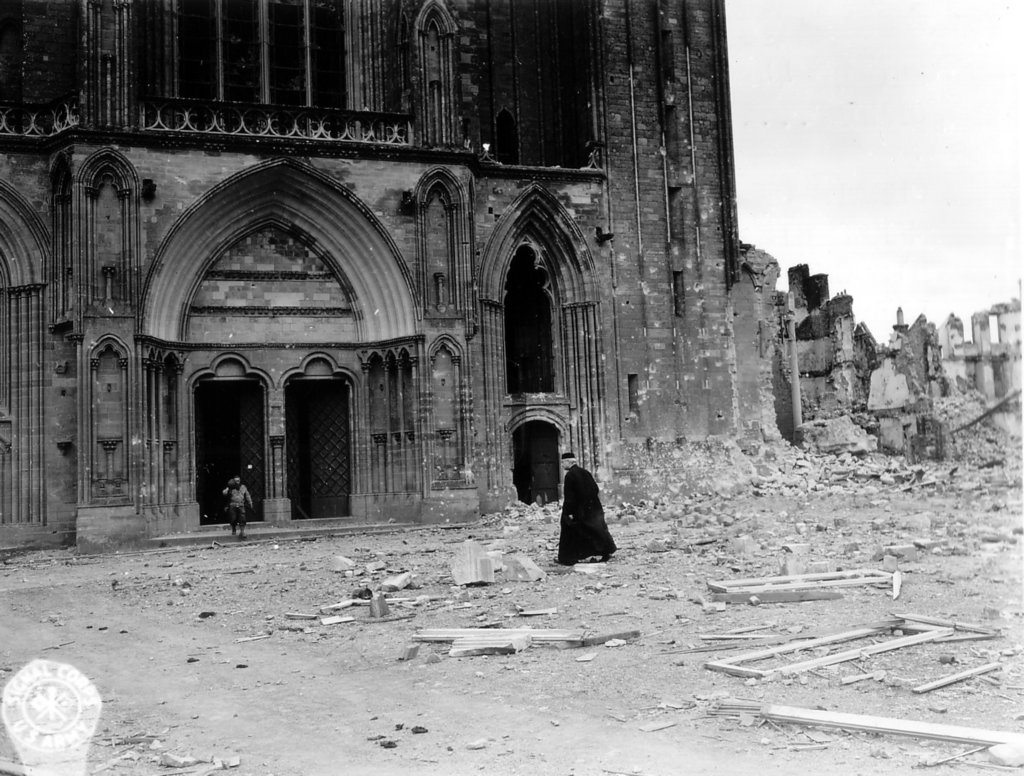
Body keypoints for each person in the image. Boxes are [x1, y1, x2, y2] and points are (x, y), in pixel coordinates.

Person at [556, 452, 617, 565]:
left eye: (563, 462)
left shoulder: (569, 476)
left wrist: (568, 512)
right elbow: (595, 489)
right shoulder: (585, 472)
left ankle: (568, 557)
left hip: (579, 509)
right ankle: (605, 552)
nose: (562, 465)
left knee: (570, 530)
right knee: (596, 529)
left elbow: (570, 497)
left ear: (569, 462)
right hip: (593, 507)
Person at [222, 475, 254, 540]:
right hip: (232, 505)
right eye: (236, 481)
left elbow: (247, 495)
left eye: (238, 480)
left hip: (241, 504)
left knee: (242, 518)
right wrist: (228, 488)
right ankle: (234, 528)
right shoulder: (230, 487)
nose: (237, 482)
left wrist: (250, 503)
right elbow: (224, 493)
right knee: (233, 518)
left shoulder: (243, 487)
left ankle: (242, 532)